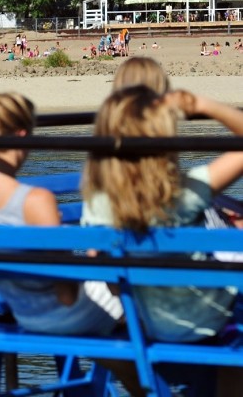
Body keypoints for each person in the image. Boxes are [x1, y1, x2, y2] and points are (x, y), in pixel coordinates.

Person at [82, 86, 243, 394]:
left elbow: (110, 284)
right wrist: (204, 104)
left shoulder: (99, 203)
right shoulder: (186, 194)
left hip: (152, 325)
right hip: (211, 324)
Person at [0, 92, 123, 336]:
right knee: (129, 294)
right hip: (70, 316)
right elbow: (67, 294)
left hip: (25, 315)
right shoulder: (36, 200)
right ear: (22, 136)